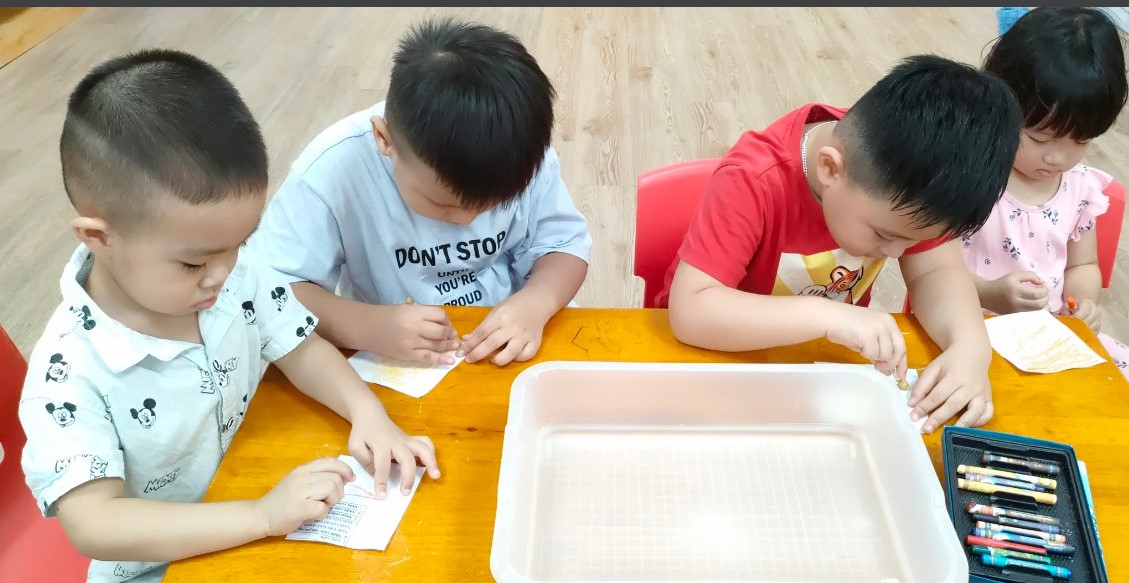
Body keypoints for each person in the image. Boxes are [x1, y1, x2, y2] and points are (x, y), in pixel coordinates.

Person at [19, 49, 440, 582]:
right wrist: (259, 515)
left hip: (262, 509)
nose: (223, 273)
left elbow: (301, 347)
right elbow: (95, 524)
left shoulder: (231, 276)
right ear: (100, 238)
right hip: (166, 565)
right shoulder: (68, 376)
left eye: (240, 244)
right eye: (194, 262)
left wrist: (368, 413)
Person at [661, 55, 1023, 433]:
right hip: (713, 361)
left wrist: (970, 347)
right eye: (885, 235)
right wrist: (828, 317)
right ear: (829, 169)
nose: (898, 253)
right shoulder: (754, 180)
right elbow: (692, 311)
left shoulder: (909, 178)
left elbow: (938, 270)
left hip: (817, 372)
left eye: (915, 240)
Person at [248, 18, 591, 368]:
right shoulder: (332, 170)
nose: (467, 220)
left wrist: (537, 301)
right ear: (385, 140)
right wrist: (367, 326)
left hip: (511, 333)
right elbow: (272, 288)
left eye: (493, 205)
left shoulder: (520, 152)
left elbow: (563, 244)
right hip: (388, 350)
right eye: (444, 205)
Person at [963, 7, 1129, 457]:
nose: (1058, 158)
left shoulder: (1079, 186)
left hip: (1056, 338)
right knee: (1014, 436)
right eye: (1039, 137)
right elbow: (930, 271)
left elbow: (1083, 264)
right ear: (999, 100)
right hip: (972, 333)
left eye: (1081, 141)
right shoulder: (970, 175)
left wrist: (1083, 304)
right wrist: (991, 293)